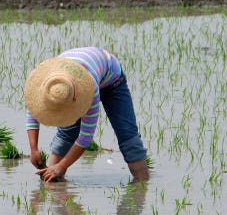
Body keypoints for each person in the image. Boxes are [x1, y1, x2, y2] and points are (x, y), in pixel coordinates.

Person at [24, 47, 149, 182]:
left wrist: (62, 166)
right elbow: (32, 114)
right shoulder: (46, 85)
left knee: (127, 135)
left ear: (75, 99)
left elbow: (86, 137)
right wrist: (34, 149)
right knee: (67, 133)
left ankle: (142, 187)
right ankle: (52, 185)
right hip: (73, 76)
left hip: (112, 80)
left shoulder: (90, 90)